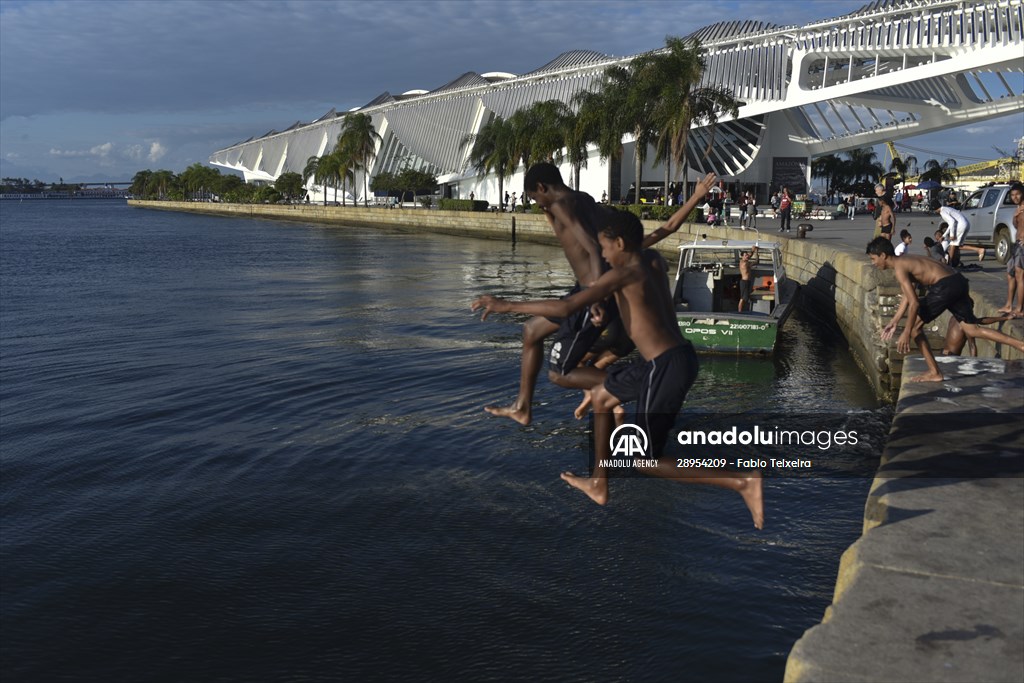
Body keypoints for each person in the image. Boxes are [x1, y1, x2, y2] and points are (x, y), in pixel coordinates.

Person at [473, 211, 764, 527]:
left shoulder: (623, 273)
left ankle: (741, 481)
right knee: (600, 397)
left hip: (663, 367)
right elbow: (635, 294)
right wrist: (600, 304)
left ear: (621, 243)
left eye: (606, 248)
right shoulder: (650, 260)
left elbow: (567, 308)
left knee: (645, 461)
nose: (604, 256)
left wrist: (507, 305)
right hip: (673, 358)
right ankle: (599, 483)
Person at [868, 236, 1024, 382]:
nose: (873, 263)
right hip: (958, 280)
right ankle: (1020, 345)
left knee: (915, 329)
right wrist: (895, 321)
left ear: (883, 255)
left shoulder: (899, 268)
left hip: (944, 286)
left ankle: (935, 372)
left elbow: (914, 303)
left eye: (873, 259)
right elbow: (908, 296)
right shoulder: (907, 260)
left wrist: (907, 331)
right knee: (971, 329)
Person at [998, 183, 1024, 317]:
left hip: (1023, 246)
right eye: (1012, 195)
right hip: (1016, 244)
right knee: (1010, 274)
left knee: (1020, 276)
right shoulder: (1018, 208)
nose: (1015, 197)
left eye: (1017, 194)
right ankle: (1009, 305)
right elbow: (1016, 225)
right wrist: (1015, 215)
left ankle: (1019, 309)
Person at [932, 199, 984, 265]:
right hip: (966, 223)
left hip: (961, 225)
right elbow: (950, 225)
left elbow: (952, 222)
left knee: (952, 245)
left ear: (935, 209)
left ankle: (950, 263)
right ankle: (979, 250)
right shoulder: (946, 208)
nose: (935, 212)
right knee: (958, 246)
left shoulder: (942, 212)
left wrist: (952, 235)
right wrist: (944, 236)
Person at [738, 244, 760, 311]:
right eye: (745, 255)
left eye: (747, 255)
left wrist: (752, 250)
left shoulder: (742, 261)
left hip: (746, 282)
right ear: (742, 256)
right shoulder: (745, 263)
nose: (747, 256)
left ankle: (741, 311)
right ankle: (739, 312)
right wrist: (756, 253)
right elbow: (757, 262)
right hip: (744, 282)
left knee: (745, 297)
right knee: (743, 298)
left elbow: (749, 256)